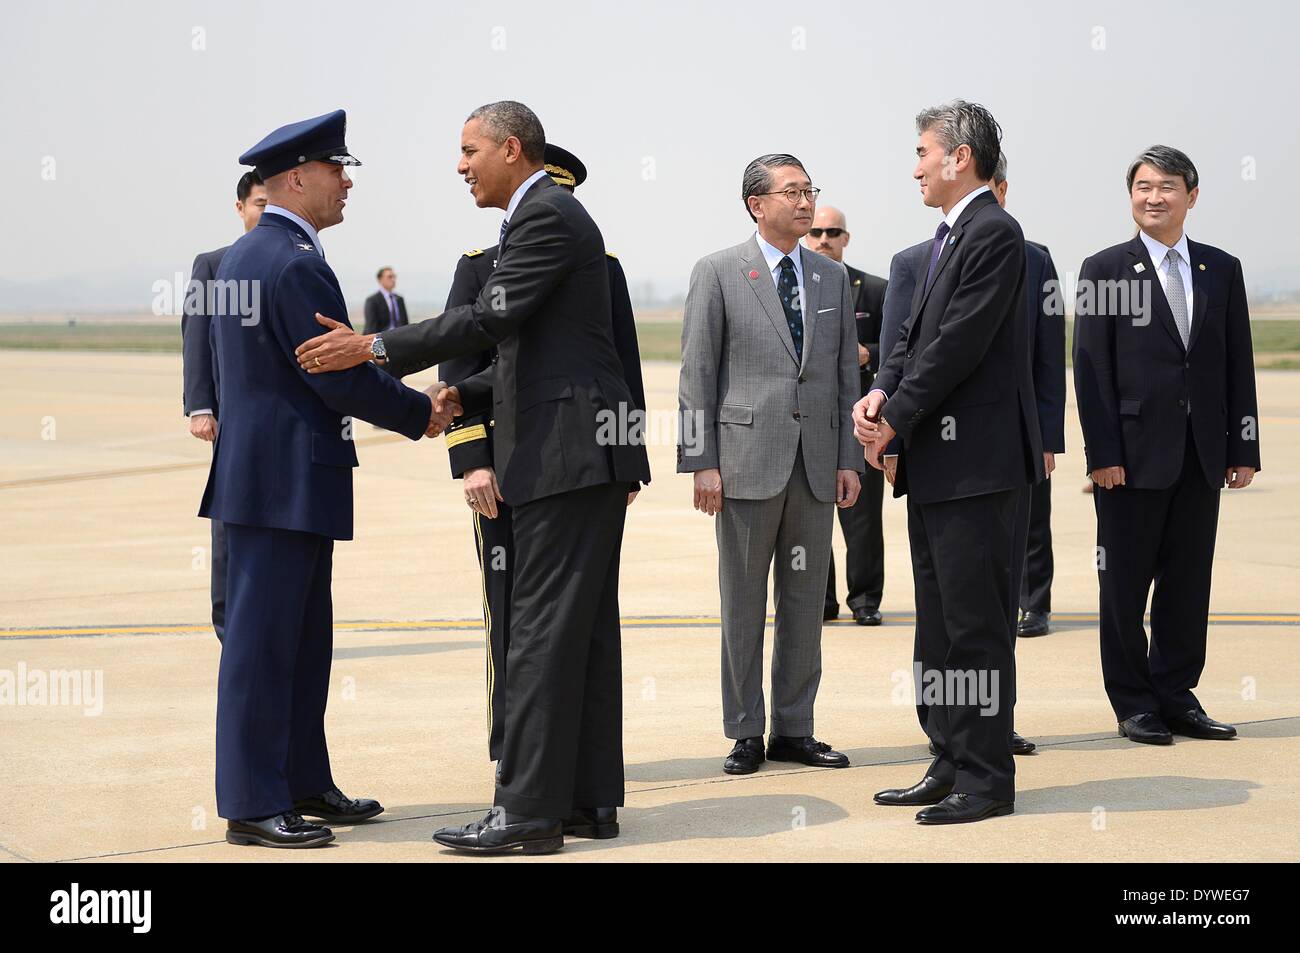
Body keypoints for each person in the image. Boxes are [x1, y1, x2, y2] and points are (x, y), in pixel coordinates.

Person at [295, 101, 651, 855]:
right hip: (571, 451)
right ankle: (584, 802)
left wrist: (374, 348)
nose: (460, 166)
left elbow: (489, 319)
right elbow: (534, 351)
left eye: (468, 150)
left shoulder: (546, 216)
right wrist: (465, 397)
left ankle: (524, 815)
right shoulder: (538, 219)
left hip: (565, 455)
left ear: (511, 149)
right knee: (576, 634)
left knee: (539, 636)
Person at [201, 109, 454, 849]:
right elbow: (333, 377)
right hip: (284, 483)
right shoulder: (294, 262)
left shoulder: (248, 255)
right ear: (299, 177)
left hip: (269, 480)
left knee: (300, 644)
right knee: (262, 647)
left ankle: (300, 780)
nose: (347, 183)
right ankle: (252, 801)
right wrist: (420, 412)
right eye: (339, 170)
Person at [432, 142, 647, 781]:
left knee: (555, 625)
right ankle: (519, 755)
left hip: (562, 461)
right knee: (515, 619)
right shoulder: (479, 268)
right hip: (505, 464)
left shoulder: (596, 264)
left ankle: (547, 785)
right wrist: (473, 461)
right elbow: (463, 366)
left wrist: (623, 457)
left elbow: (621, 366)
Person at [856, 101, 1039, 824]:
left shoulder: (994, 232)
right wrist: (880, 401)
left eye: (924, 152)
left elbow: (957, 343)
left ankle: (987, 777)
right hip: (939, 465)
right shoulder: (948, 237)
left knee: (975, 629)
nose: (916, 166)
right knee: (937, 627)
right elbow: (909, 341)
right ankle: (951, 754)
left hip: (980, 468)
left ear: (961, 156)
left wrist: (898, 414)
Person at [678, 154, 862, 778]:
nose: (806, 202)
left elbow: (843, 378)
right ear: (757, 204)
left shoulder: (830, 278)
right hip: (744, 464)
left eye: (810, 191)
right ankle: (745, 731)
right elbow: (696, 375)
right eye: (792, 192)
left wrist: (848, 459)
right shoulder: (719, 272)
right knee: (743, 604)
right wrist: (700, 460)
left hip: (814, 468)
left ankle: (795, 728)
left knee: (806, 603)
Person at [1073, 145, 1260, 746]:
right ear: (1132, 196)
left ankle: (1176, 695)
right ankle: (1133, 703)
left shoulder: (1220, 268)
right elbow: (1090, 366)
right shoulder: (1103, 268)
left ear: (1192, 196)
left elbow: (1238, 362)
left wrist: (1243, 446)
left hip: (1202, 454)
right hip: (1129, 456)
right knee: (1123, 586)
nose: (1154, 197)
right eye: (1143, 187)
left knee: (1188, 583)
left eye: (1167, 187)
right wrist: (1102, 454)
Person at [182, 170, 266, 642]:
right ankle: (228, 628)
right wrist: (200, 405)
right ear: (240, 208)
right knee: (230, 524)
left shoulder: (298, 258)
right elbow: (196, 336)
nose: (263, 210)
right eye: (256, 202)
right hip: (231, 417)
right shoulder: (213, 265)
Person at [988, 156, 1066, 640]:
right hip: (964, 424)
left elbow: (1049, 354)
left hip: (1024, 420)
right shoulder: (931, 255)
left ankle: (1034, 604)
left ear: (1002, 189)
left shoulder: (1036, 259)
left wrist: (1048, 436)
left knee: (1033, 519)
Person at [804, 205, 888, 626]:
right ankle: (822, 600)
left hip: (863, 420)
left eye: (832, 232)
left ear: (845, 238)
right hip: (814, 420)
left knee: (863, 518)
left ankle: (866, 599)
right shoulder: (795, 286)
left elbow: (904, 347)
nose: (823, 239)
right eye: (817, 231)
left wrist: (868, 352)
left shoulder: (874, 289)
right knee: (812, 517)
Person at [363, 267, 409, 334]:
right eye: (390, 277)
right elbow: (371, 327)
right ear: (380, 279)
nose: (393, 279)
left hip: (400, 339)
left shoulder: (399, 299)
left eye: (394, 277)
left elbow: (405, 324)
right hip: (382, 339)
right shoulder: (372, 300)